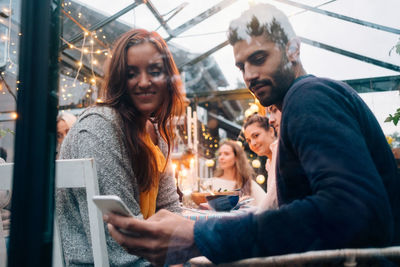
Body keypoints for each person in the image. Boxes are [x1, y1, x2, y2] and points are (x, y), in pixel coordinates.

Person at [104, 4, 400, 266]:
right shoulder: (304, 100)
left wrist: (199, 236)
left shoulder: (309, 96)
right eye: (241, 65)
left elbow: (352, 211)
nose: (249, 75)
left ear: (293, 48)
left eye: (259, 58)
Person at [56, 29, 185, 266]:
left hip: (150, 257)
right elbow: (118, 246)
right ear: (119, 79)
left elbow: (170, 209)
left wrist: (180, 251)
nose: (144, 82)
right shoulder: (99, 128)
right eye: (131, 73)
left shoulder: (157, 135)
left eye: (154, 71)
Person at [211, 140, 265, 206]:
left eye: (226, 154)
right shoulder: (212, 183)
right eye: (220, 154)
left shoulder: (248, 184)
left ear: (237, 158)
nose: (221, 158)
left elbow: (267, 204)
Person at [243, 113, 278, 210]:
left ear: (271, 131)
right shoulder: (269, 162)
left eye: (256, 135)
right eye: (249, 140)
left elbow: (273, 200)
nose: (253, 143)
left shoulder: (279, 152)